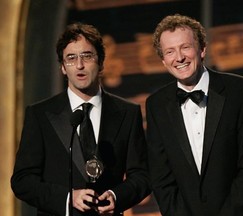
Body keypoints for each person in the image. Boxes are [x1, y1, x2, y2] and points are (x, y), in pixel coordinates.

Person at [11, 22, 150, 216]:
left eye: (87, 56)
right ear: (62, 67)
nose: (79, 65)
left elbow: (142, 176)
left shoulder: (127, 113)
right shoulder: (40, 114)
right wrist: (68, 198)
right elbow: (22, 181)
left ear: (101, 62)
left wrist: (116, 196)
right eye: (71, 58)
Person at [145, 14, 243, 216]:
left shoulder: (241, 91)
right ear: (163, 60)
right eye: (170, 51)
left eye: (185, 47)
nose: (179, 57)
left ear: (202, 49)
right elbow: (161, 178)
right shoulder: (156, 105)